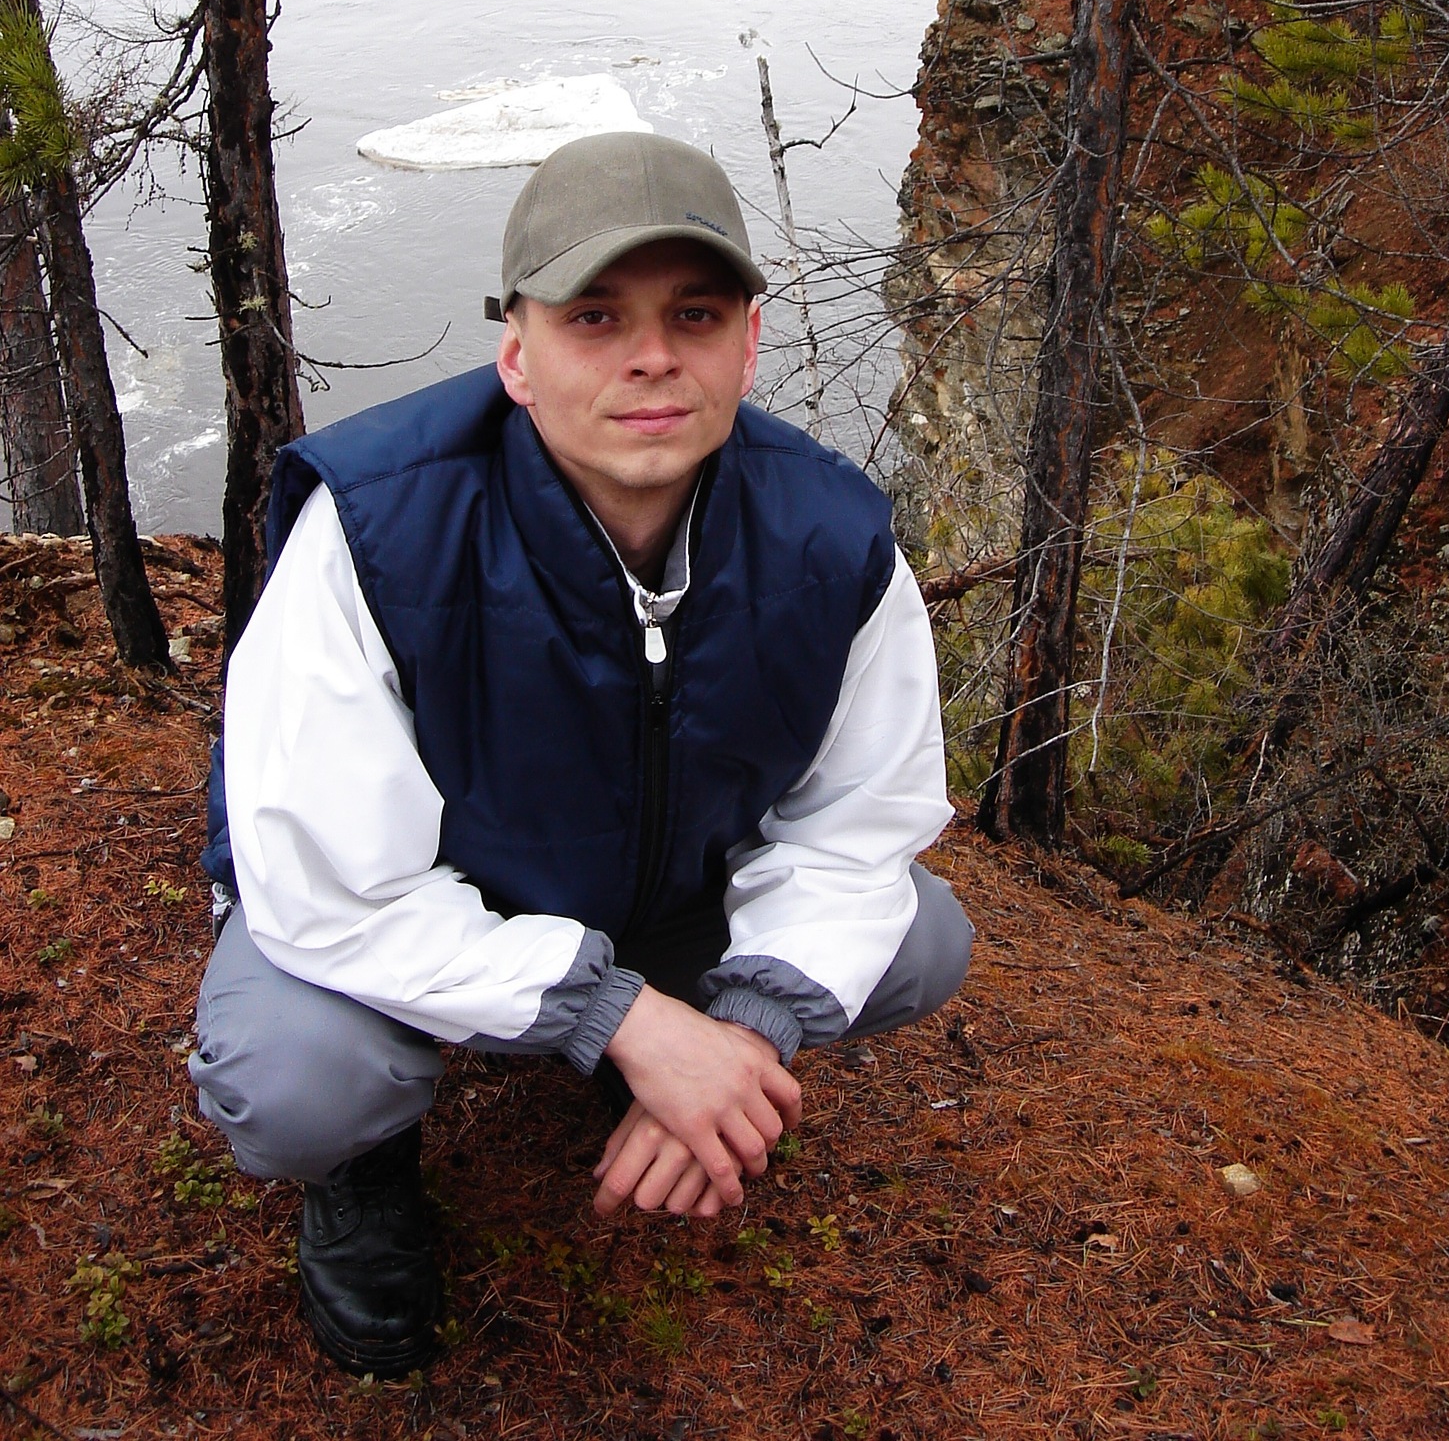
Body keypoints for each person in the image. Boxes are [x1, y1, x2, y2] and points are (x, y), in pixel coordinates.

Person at [188, 130, 971, 1379]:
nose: (652, 355)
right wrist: (616, 1014)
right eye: (595, 316)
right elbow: (335, 884)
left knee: (922, 936)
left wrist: (746, 1028)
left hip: (655, 894)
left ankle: (679, 1055)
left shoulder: (831, 537)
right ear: (517, 352)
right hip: (421, 904)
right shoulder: (380, 528)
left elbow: (858, 822)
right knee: (299, 1075)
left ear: (748, 345)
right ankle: (364, 1167)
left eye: (695, 314)